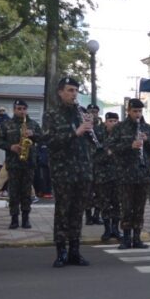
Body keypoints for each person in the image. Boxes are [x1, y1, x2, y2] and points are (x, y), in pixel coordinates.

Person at [41, 77, 95, 268]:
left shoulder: (81, 113)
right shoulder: (52, 114)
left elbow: (91, 143)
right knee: (63, 212)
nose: (73, 94)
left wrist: (90, 130)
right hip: (63, 171)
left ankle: (75, 250)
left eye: (75, 91)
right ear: (60, 92)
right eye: (70, 90)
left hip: (82, 170)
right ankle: (61, 251)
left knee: (77, 212)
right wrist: (75, 132)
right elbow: (49, 141)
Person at [108, 99, 150, 250]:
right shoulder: (120, 128)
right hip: (125, 174)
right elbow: (111, 147)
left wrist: (148, 140)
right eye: (135, 111)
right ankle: (125, 238)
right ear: (128, 111)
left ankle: (137, 237)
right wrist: (129, 145)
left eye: (140, 111)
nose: (138, 114)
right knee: (126, 207)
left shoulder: (147, 128)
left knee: (139, 207)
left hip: (143, 174)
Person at [0, 100, 42, 229]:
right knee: (13, 192)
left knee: (26, 193)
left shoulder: (33, 124)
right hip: (13, 163)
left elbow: (43, 138)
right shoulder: (6, 124)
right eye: (19, 108)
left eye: (24, 109)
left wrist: (33, 135)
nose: (22, 111)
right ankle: (14, 218)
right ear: (14, 109)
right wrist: (10, 147)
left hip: (29, 163)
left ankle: (26, 218)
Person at [94, 112, 123, 242]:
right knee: (104, 203)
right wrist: (108, 153)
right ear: (105, 122)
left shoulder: (122, 135)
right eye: (110, 120)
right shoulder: (98, 134)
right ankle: (107, 230)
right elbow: (95, 155)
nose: (112, 123)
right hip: (103, 175)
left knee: (117, 203)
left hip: (118, 175)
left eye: (115, 121)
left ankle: (116, 229)